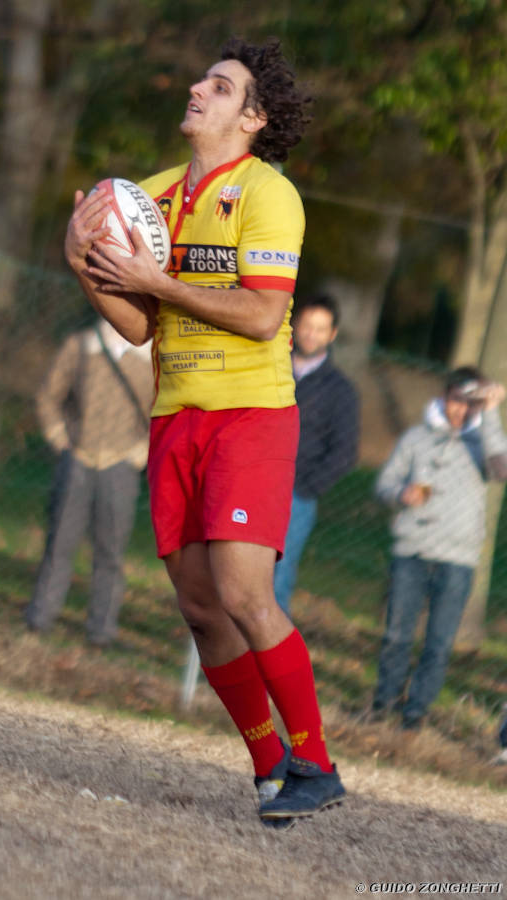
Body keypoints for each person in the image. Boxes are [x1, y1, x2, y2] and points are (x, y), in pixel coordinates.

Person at [64, 36, 346, 826]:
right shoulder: (149, 195)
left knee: (244, 593)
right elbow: (140, 325)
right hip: (174, 417)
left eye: (220, 86)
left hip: (251, 414)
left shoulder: (269, 193)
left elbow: (262, 315)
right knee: (198, 605)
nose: (197, 88)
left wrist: (160, 280)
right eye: (202, 79)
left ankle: (316, 764)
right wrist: (85, 264)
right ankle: (269, 769)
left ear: (253, 118)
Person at [372, 366, 507, 730]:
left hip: (457, 557)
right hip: (412, 550)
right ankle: (383, 705)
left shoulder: (485, 443)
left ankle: (415, 714)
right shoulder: (416, 438)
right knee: (397, 634)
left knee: (440, 641)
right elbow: (385, 483)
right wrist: (401, 493)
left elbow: (501, 470)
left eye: (470, 403)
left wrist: (491, 413)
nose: (461, 409)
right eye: (456, 400)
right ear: (444, 398)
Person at [25, 318, 153, 647]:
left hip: (120, 465)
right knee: (59, 542)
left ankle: (101, 631)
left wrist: (142, 452)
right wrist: (59, 437)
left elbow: (164, 410)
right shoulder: (81, 345)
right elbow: (48, 395)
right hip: (78, 459)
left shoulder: (154, 355)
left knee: (111, 552)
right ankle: (40, 618)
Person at [274, 294, 359, 614]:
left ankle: (269, 647)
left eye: (320, 329)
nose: (311, 334)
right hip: (251, 484)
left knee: (278, 578)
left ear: (332, 334)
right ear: (295, 324)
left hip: (296, 496)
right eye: (307, 325)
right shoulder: (269, 367)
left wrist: (305, 487)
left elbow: (344, 452)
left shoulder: (341, 391)